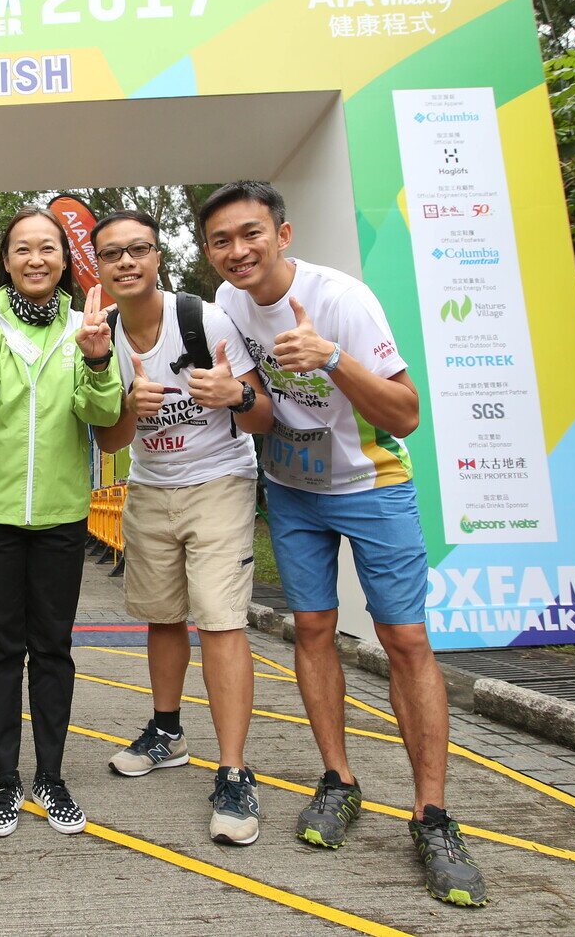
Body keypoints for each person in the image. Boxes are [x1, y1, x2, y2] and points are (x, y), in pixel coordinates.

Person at [203, 181, 488, 907]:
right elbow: (262, 412)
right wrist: (237, 397)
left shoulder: (343, 300)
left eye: (250, 234)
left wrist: (330, 357)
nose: (237, 251)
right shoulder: (228, 303)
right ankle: (338, 780)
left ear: (283, 234)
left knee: (405, 640)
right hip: (293, 488)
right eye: (221, 241)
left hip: (371, 482)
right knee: (312, 629)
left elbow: (407, 413)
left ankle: (432, 815)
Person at [88, 209, 273, 846]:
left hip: (219, 479)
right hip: (149, 485)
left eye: (138, 249)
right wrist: (127, 408)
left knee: (219, 619)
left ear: (157, 256)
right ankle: (166, 731)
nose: (126, 262)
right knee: (162, 616)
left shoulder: (204, 319)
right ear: (98, 266)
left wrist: (234, 395)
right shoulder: (102, 335)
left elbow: (261, 416)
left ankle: (234, 771)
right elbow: (109, 439)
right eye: (112, 253)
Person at [0, 207, 122, 838]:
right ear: (6, 260)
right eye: (22, 248)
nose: (35, 259)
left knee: (52, 649)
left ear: (65, 259)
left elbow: (101, 415)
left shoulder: (86, 325)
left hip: (60, 514)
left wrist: (97, 362)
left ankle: (51, 776)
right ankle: (5, 780)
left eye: (48, 247)